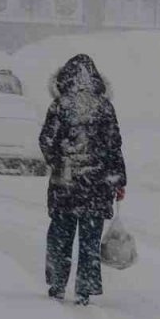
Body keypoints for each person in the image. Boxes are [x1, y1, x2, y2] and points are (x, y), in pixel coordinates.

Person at [39, 54, 126, 306]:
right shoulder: (104, 107)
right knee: (89, 239)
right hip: (96, 187)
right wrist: (118, 181)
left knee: (60, 235)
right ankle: (84, 289)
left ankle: (57, 283)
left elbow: (46, 141)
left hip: (64, 186)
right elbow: (114, 146)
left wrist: (59, 163)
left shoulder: (59, 106)